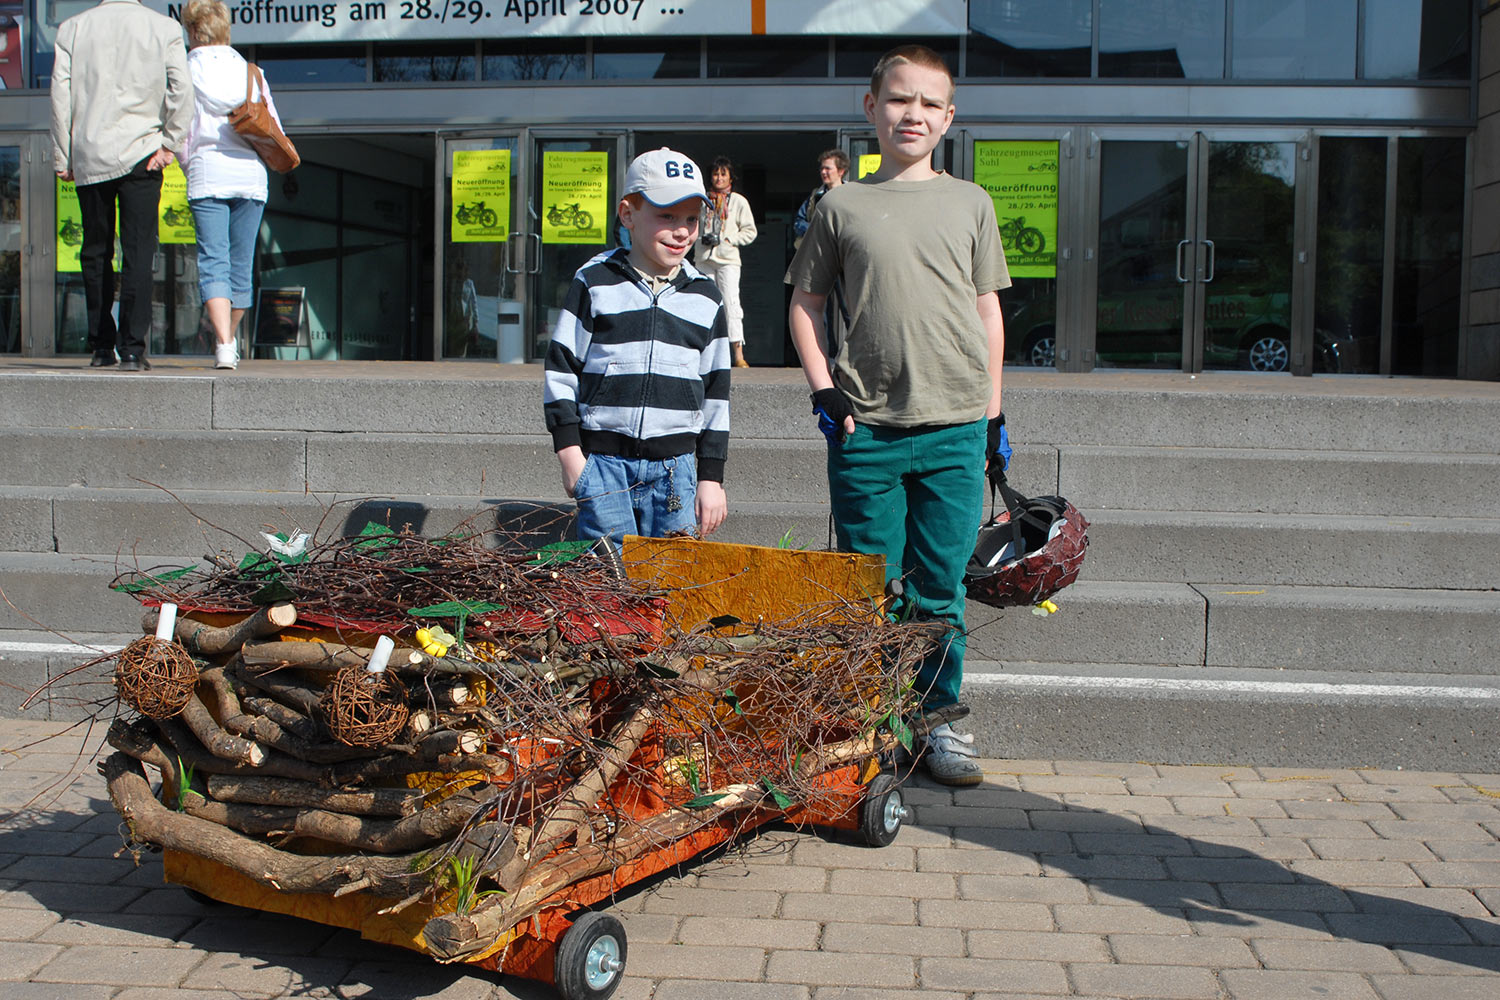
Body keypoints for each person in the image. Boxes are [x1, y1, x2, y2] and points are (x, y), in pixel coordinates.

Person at [785, 45, 1010, 787]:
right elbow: (806, 305)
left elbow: (987, 309)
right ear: (870, 108)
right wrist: (823, 389)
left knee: (939, 587)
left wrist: (993, 414)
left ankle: (934, 723)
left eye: (928, 103)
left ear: (949, 117)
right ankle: (871, 721)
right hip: (867, 432)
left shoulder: (970, 202)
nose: (912, 114)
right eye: (898, 99)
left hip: (954, 427)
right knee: (867, 588)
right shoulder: (839, 205)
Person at [544, 147, 731, 546]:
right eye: (667, 216)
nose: (682, 231)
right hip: (604, 467)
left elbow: (717, 393)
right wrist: (571, 456)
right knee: (610, 586)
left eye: (692, 219)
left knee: (671, 584)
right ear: (628, 214)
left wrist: (710, 477)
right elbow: (561, 370)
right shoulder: (594, 281)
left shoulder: (707, 297)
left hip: (676, 473)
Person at [50, 0, 193, 371]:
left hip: (91, 149)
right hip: (143, 152)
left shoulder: (73, 28)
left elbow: (60, 99)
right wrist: (170, 143)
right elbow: (181, 89)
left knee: (95, 250)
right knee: (139, 252)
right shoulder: (162, 27)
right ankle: (132, 349)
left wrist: (62, 155)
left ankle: (101, 346)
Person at [180, 0, 281, 371]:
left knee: (213, 262)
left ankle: (223, 343)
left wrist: (189, 164)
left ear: (193, 31)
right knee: (240, 264)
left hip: (208, 172)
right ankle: (229, 340)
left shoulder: (185, 71)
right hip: (251, 177)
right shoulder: (250, 72)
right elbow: (273, 127)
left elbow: (181, 131)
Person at [696, 156, 757, 368]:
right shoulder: (702, 199)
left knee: (731, 304)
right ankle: (704, 352)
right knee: (703, 304)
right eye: (715, 173)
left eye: (723, 174)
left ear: (731, 177)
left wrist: (730, 239)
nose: (719, 178)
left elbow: (750, 231)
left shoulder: (738, 201)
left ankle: (738, 354)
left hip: (727, 258)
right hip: (703, 257)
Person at [792, 148, 848, 249]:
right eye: (821, 168)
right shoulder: (814, 197)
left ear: (841, 171)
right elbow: (798, 222)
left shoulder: (852, 195)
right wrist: (815, 231)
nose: (823, 172)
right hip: (819, 254)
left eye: (827, 168)